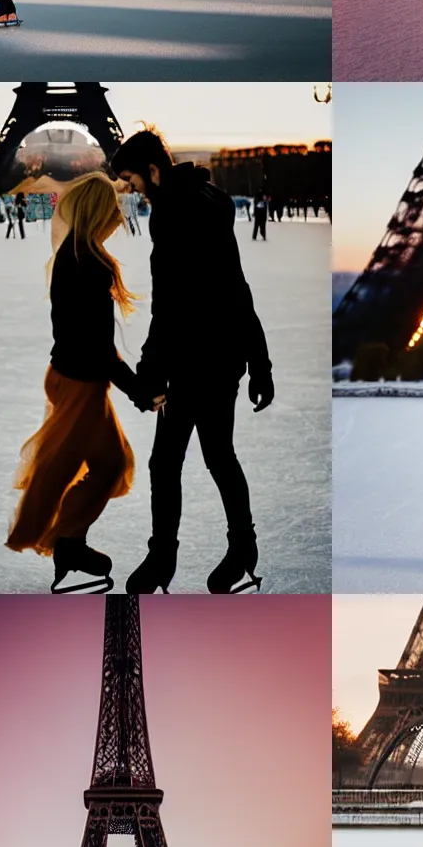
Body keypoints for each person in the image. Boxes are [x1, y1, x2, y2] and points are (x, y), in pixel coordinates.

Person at [111, 130, 273, 594]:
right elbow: (237, 287)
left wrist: (148, 372)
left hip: (194, 363)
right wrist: (259, 363)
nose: (131, 190)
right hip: (224, 359)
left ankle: (163, 557)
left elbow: (170, 304)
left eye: (132, 180)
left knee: (166, 464)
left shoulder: (173, 214)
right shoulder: (210, 199)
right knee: (218, 457)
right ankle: (242, 548)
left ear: (154, 171)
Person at [7, 175, 153, 592]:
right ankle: (66, 541)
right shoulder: (88, 264)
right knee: (104, 466)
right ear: (99, 212)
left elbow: (90, 344)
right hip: (81, 384)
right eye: (112, 210)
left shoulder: (74, 256)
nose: (117, 218)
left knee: (106, 464)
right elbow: (99, 347)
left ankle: (69, 540)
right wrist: (138, 389)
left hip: (70, 378)